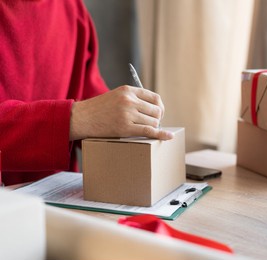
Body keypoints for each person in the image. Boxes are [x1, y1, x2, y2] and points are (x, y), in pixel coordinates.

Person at [0, 0, 173, 186]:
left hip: (59, 200)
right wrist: (77, 118)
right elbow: (88, 113)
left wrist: (128, 123)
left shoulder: (71, 8)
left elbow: (91, 96)